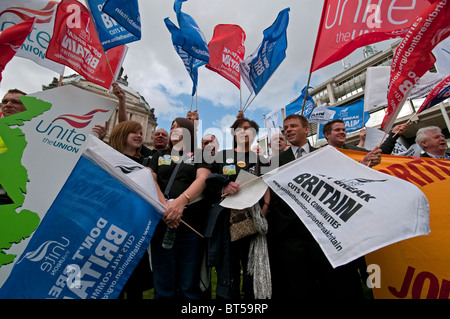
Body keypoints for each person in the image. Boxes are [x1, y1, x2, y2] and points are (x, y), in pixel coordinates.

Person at [267, 114, 364, 300]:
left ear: (306, 129)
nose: (288, 130)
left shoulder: (326, 155)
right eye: (286, 127)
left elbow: (342, 183)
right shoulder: (276, 162)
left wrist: (366, 163)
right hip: (291, 233)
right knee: (299, 285)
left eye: (293, 126)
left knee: (335, 283)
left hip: (326, 233)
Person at [204, 114, 269, 299]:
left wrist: (265, 209)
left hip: (252, 219)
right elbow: (207, 183)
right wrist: (223, 186)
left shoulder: (260, 159)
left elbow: (267, 184)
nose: (244, 132)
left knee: (251, 269)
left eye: (249, 128)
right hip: (226, 221)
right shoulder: (221, 156)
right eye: (240, 128)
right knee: (227, 270)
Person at [149, 117, 211, 299]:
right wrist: (166, 207)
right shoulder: (159, 156)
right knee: (163, 286)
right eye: (172, 127)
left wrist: (180, 203)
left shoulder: (199, 154)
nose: (174, 129)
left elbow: (202, 179)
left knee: (188, 286)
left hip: (190, 226)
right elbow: (151, 178)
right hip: (162, 223)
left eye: (178, 126)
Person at [108, 120, 167, 299]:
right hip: (112, 224)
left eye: (141, 133)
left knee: (135, 283)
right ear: (121, 134)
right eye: (134, 132)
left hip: (137, 227)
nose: (140, 136)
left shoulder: (147, 161)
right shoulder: (108, 158)